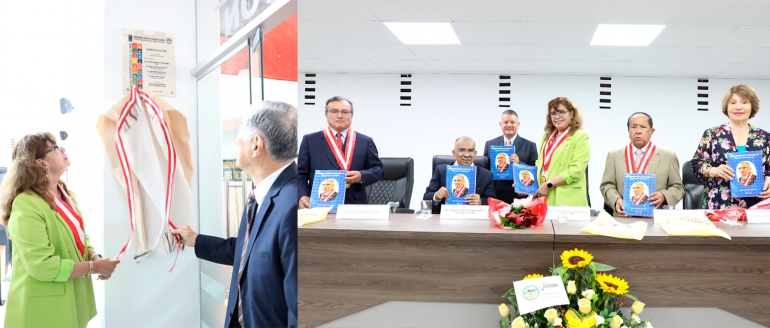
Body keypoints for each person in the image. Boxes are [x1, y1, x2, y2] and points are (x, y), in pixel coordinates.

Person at [173, 101, 298, 328]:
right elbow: (248, 253)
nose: (235, 141)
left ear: (256, 145)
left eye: (240, 131)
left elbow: (300, 306)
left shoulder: (294, 206)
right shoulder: (261, 195)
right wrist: (195, 240)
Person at [0, 132, 119, 328]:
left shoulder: (65, 193)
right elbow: (43, 266)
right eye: (54, 148)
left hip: (72, 298)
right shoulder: (26, 204)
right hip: (42, 308)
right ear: (41, 163)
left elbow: (80, 236)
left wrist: (96, 257)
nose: (62, 149)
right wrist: (95, 268)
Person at [691, 84, 770, 209]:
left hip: (755, 205)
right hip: (719, 203)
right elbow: (696, 164)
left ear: (752, 107)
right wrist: (713, 170)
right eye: (733, 103)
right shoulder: (712, 134)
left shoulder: (764, 137)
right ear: (726, 107)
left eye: (744, 102)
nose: (738, 107)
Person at [298, 96, 383, 208]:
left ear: (351, 116)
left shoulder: (365, 141)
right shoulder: (310, 140)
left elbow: (378, 170)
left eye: (345, 112)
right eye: (334, 111)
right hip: (318, 204)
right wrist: (302, 195)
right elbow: (300, 174)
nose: (339, 115)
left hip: (354, 206)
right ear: (326, 115)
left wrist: (361, 176)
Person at [600, 112, 684, 216]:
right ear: (628, 130)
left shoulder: (668, 157)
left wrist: (664, 196)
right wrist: (616, 200)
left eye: (643, 127)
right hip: (623, 218)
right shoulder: (614, 155)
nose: (638, 131)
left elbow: (678, 187)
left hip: (655, 219)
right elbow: (607, 185)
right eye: (633, 127)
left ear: (652, 131)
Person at [534, 97, 591, 206]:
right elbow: (539, 165)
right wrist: (524, 183)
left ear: (571, 113)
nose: (557, 117)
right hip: (544, 198)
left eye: (561, 112)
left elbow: (576, 171)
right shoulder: (546, 137)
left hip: (567, 201)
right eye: (553, 113)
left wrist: (548, 184)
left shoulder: (580, 136)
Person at [424, 136, 496, 214]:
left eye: (471, 151)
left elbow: (492, 201)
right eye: (462, 150)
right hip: (446, 219)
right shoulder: (441, 170)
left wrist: (481, 201)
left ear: (475, 154)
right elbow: (426, 197)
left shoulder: (486, 175)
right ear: (454, 153)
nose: (467, 155)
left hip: (473, 220)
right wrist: (436, 195)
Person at [484, 110, 538, 203]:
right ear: (500, 124)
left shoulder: (530, 146)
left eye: (512, 122)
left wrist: (519, 163)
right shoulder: (490, 144)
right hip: (495, 195)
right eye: (505, 122)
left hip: (519, 196)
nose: (509, 125)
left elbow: (534, 171)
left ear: (518, 124)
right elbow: (485, 171)